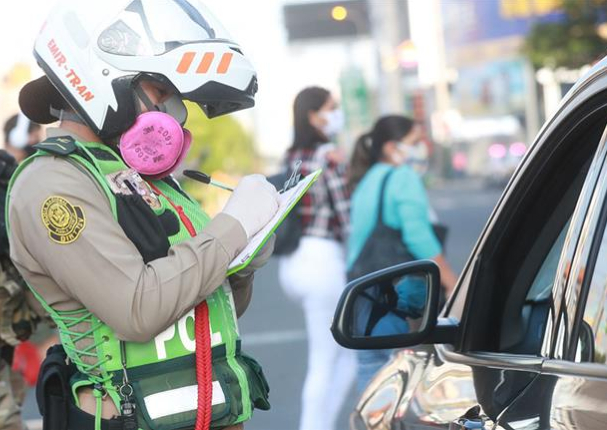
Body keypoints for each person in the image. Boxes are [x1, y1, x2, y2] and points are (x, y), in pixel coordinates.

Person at [7, 1, 280, 430]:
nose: (173, 110)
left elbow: (206, 309)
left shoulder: (146, 179)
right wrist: (231, 230)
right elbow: (138, 310)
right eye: (160, 91)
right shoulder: (53, 184)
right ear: (101, 78)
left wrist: (242, 263)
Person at [348, 115, 458, 392]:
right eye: (414, 142)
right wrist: (451, 281)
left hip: (365, 301)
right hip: (399, 304)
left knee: (372, 390)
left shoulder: (368, 179)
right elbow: (418, 236)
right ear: (391, 147)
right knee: (409, 389)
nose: (421, 148)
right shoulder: (402, 176)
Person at [277, 86, 355, 430]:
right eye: (331, 107)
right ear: (314, 115)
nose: (336, 113)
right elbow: (346, 215)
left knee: (338, 354)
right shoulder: (328, 156)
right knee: (331, 357)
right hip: (323, 260)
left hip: (292, 262)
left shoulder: (291, 156)